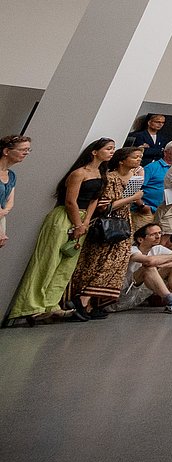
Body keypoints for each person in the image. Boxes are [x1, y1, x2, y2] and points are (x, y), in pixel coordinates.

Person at [6, 137, 113, 325]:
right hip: (64, 218)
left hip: (83, 220)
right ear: (95, 151)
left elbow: (94, 200)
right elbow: (70, 200)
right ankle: (31, 306)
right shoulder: (79, 173)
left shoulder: (101, 174)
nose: (112, 152)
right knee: (48, 261)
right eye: (108, 148)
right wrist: (78, 223)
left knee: (66, 265)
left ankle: (50, 303)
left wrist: (86, 222)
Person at [70, 146, 145, 319]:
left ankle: (94, 302)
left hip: (124, 222)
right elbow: (103, 206)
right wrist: (133, 198)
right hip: (108, 223)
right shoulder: (110, 178)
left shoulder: (134, 178)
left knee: (117, 262)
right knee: (101, 261)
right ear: (122, 160)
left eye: (140, 157)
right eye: (134, 157)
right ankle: (83, 299)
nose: (138, 160)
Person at [0, 134, 27, 252]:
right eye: (22, 150)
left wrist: (3, 213)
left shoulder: (11, 175)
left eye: (28, 150)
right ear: (6, 151)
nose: (26, 153)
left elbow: (10, 201)